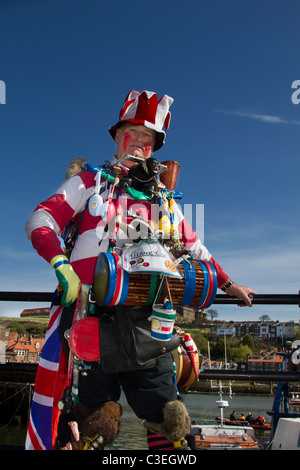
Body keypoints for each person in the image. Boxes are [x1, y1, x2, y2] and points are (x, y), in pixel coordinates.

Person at [24, 90, 256, 450]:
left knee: (167, 418)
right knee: (89, 419)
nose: (139, 143)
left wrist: (229, 284)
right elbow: (40, 220)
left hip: (150, 322)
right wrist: (61, 265)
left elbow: (197, 251)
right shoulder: (89, 183)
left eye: (148, 139)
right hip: (90, 316)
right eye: (131, 134)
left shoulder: (164, 200)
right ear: (117, 137)